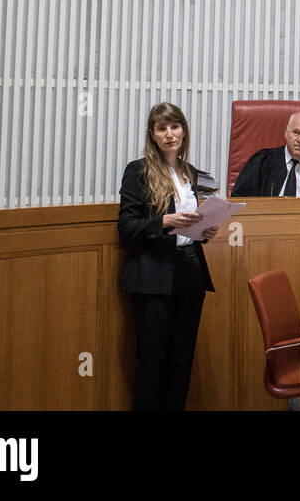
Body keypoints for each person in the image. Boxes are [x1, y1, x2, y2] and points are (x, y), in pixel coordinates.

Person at [118, 102, 219, 411]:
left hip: (190, 271)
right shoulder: (139, 170)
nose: (169, 134)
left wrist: (205, 231)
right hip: (154, 277)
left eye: (175, 127)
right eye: (162, 128)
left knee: (181, 361)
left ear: (184, 130)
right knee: (153, 362)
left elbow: (193, 222)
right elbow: (126, 226)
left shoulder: (191, 173)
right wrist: (165, 222)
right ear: (153, 135)